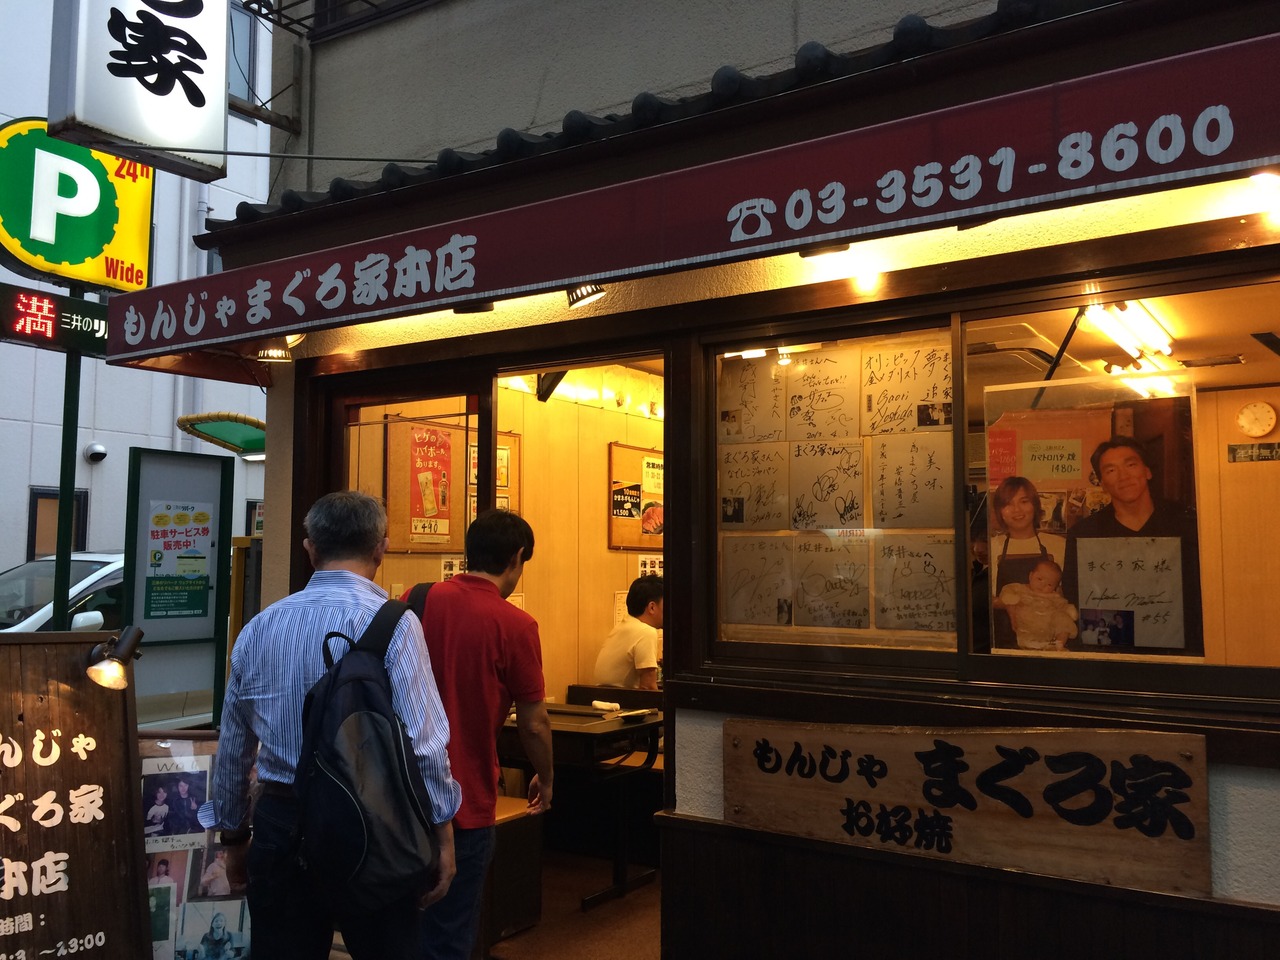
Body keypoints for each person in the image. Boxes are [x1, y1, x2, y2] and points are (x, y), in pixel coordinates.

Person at [212, 490, 461, 960]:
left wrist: (234, 835)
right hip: (376, 822)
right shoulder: (395, 624)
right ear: (381, 548)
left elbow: (234, 747)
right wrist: (442, 834)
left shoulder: (259, 628)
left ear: (310, 548)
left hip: (281, 819)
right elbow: (424, 745)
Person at [409, 507, 554, 960]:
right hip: (465, 798)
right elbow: (534, 723)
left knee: (398, 929)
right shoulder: (516, 625)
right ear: (516, 558)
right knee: (449, 933)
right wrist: (547, 778)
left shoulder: (416, 599)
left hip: (401, 794)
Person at [1062, 436, 1203, 654]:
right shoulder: (1085, 534)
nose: (1123, 476)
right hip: (1113, 651)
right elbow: (1075, 595)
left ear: (1147, 471)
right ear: (1102, 483)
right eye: (1111, 470)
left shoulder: (1187, 523)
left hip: (1181, 651)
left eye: (1130, 465)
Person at [988, 476, 1066, 648]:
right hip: (1005, 641)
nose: (1017, 510)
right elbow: (982, 599)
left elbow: (1067, 594)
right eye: (1008, 504)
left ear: (1035, 505)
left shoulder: (1059, 545)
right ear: (1000, 511)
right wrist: (1009, 603)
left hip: (1049, 642)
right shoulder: (992, 547)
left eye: (1024, 501)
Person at [594, 575, 664, 690]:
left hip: (602, 698)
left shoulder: (622, 627)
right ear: (652, 607)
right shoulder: (646, 632)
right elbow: (648, 687)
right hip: (623, 700)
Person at [998, 558, 1079, 651]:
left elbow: (1062, 604)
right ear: (1030, 576)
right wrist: (1012, 598)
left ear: (1055, 587)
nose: (1043, 585)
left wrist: (1068, 609)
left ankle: (1059, 644)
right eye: (1040, 579)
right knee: (1025, 613)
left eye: (1049, 584)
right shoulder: (1020, 588)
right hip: (1029, 624)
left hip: (1049, 626)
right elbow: (1007, 590)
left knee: (1063, 618)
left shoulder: (1053, 596)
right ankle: (1030, 643)